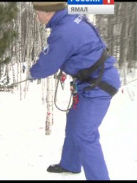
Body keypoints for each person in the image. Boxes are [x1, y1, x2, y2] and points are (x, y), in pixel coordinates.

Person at [27, 2, 121, 180]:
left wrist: (31, 73)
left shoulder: (64, 31)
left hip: (99, 84)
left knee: (85, 134)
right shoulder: (70, 15)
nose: (36, 15)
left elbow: (47, 64)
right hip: (90, 82)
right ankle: (70, 164)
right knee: (74, 122)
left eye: (38, 11)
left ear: (49, 11)